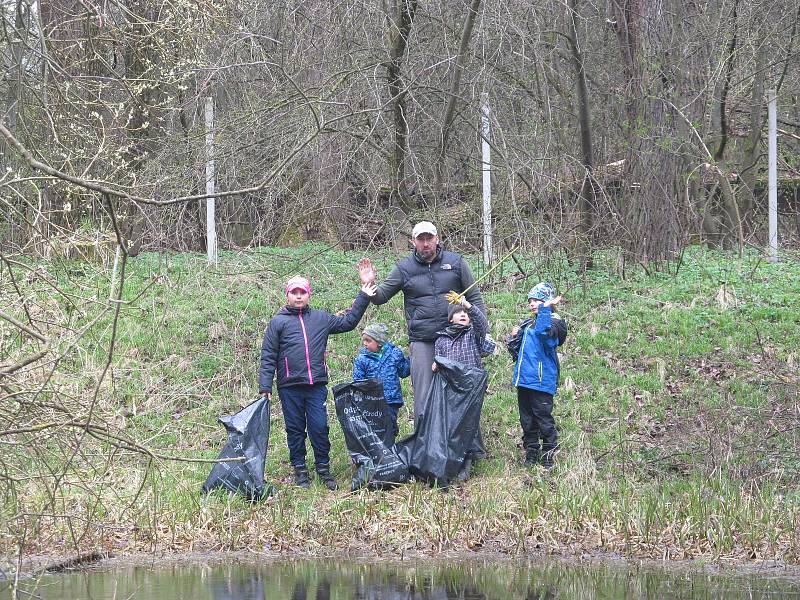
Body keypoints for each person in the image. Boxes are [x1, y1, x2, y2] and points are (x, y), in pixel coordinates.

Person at [356, 221, 486, 421]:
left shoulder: (457, 262)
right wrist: (369, 283)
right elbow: (380, 297)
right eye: (421, 239)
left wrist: (481, 330)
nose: (426, 243)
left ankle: (464, 446)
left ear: (437, 239)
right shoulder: (404, 268)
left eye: (429, 238)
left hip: (456, 339)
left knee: (459, 392)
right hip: (422, 339)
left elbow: (475, 297)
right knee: (423, 396)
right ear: (413, 242)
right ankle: (424, 445)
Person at [259, 274, 376, 490]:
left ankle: (323, 467)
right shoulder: (278, 323)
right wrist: (265, 386)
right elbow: (268, 355)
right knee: (295, 429)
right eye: (294, 292)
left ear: (308, 294)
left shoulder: (321, 318)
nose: (298, 296)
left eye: (302, 292)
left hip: (316, 386)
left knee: (319, 427)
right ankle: (300, 469)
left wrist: (364, 296)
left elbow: (348, 322)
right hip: (289, 387)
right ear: (287, 295)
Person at [505, 282, 567, 470]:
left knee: (543, 418)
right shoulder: (528, 322)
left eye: (538, 300)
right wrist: (513, 338)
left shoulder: (555, 323)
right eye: (531, 300)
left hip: (541, 380)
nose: (533, 304)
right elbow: (518, 352)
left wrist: (545, 310)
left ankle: (548, 455)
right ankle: (531, 453)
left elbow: (544, 334)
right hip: (523, 380)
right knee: (527, 420)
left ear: (548, 301)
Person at [432, 295, 492, 480]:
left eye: (465, 313)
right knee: (456, 423)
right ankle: (461, 457)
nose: (463, 314)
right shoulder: (441, 340)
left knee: (470, 421)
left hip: (471, 386)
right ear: (450, 319)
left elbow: (482, 323)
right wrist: (436, 364)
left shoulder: (472, 334)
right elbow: (439, 359)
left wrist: (468, 305)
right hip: (452, 388)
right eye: (458, 313)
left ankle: (469, 460)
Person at [352, 322, 411, 439]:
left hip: (391, 400)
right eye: (363, 340)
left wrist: (412, 358)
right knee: (374, 430)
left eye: (368, 341)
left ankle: (390, 450)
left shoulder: (394, 353)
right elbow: (358, 381)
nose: (365, 344)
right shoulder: (362, 358)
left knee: (390, 427)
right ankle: (376, 454)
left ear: (379, 342)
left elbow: (404, 372)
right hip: (371, 401)